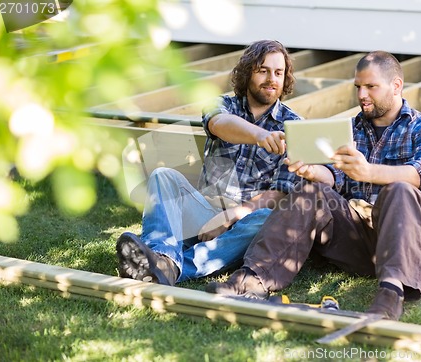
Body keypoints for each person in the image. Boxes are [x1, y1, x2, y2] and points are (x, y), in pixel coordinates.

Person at [206, 50, 421, 321]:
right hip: (364, 241)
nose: (362, 95)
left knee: (400, 189)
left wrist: (369, 172)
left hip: (413, 243)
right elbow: (334, 177)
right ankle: (252, 280)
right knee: (311, 191)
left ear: (396, 86)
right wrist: (312, 171)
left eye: (371, 87)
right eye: (358, 87)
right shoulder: (351, 130)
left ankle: (391, 293)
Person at [116, 40, 302, 286]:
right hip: (202, 210)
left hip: (244, 223)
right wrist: (259, 135)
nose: (271, 78)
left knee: (267, 218)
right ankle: (160, 254)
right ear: (248, 73)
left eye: (278, 72)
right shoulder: (223, 105)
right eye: (263, 70)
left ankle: (168, 265)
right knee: (162, 175)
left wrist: (229, 216)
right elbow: (218, 124)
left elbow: (280, 192)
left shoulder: (294, 125)